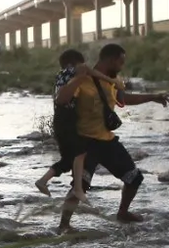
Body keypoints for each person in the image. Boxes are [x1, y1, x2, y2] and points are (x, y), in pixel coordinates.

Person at [56, 43, 169, 232]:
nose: (121, 67)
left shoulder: (113, 80)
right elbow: (61, 99)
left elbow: (124, 99)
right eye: (120, 62)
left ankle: (123, 213)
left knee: (134, 179)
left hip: (107, 140)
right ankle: (64, 225)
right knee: (80, 185)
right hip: (85, 142)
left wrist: (152, 97)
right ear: (110, 60)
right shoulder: (83, 79)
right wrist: (77, 79)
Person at [35, 49, 120, 201]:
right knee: (80, 153)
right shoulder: (75, 70)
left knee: (68, 160)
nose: (85, 66)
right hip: (68, 119)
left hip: (59, 120)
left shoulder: (61, 75)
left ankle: (42, 181)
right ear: (75, 63)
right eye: (82, 63)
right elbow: (89, 71)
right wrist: (112, 81)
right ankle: (79, 190)